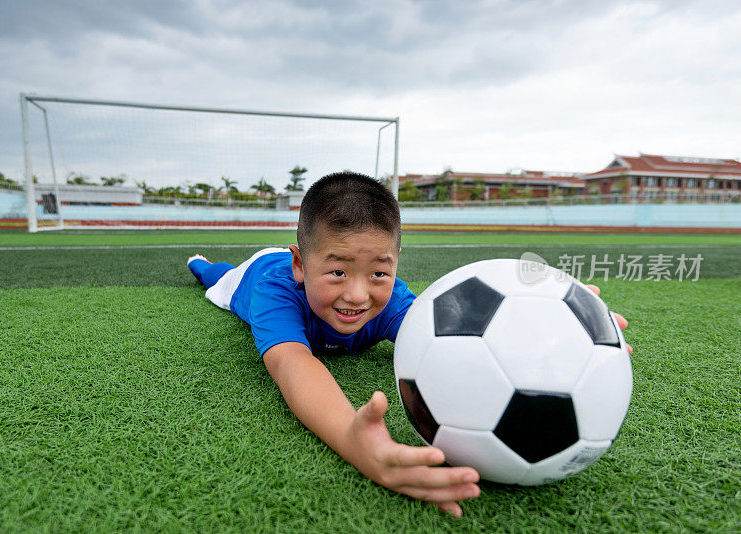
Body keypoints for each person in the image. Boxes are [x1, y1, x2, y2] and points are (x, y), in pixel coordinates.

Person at [187, 172, 630, 518]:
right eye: (338, 272)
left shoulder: (396, 302)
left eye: (379, 272)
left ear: (395, 264)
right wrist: (348, 434)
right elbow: (292, 363)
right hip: (252, 273)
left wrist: (569, 335)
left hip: (297, 264)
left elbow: (461, 335)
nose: (359, 294)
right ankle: (201, 263)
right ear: (301, 265)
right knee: (214, 277)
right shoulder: (275, 290)